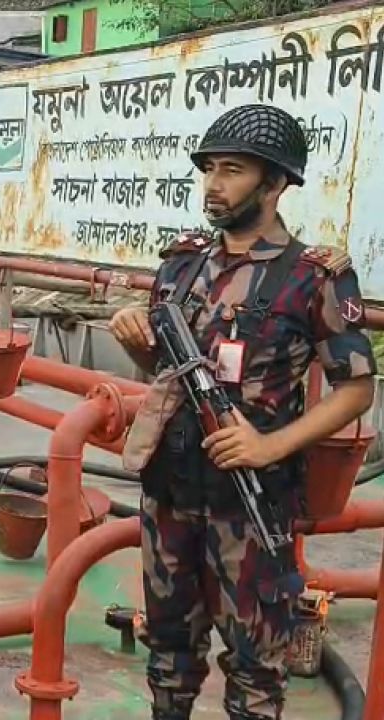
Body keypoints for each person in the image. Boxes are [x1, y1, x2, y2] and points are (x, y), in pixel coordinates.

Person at [110, 104, 376, 720]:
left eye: (232, 170)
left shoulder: (312, 278)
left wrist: (269, 446)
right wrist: (138, 349)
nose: (213, 184)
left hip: (250, 504)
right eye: (209, 169)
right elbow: (171, 379)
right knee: (168, 656)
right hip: (172, 493)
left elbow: (357, 389)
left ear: (276, 182)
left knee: (256, 669)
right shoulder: (181, 266)